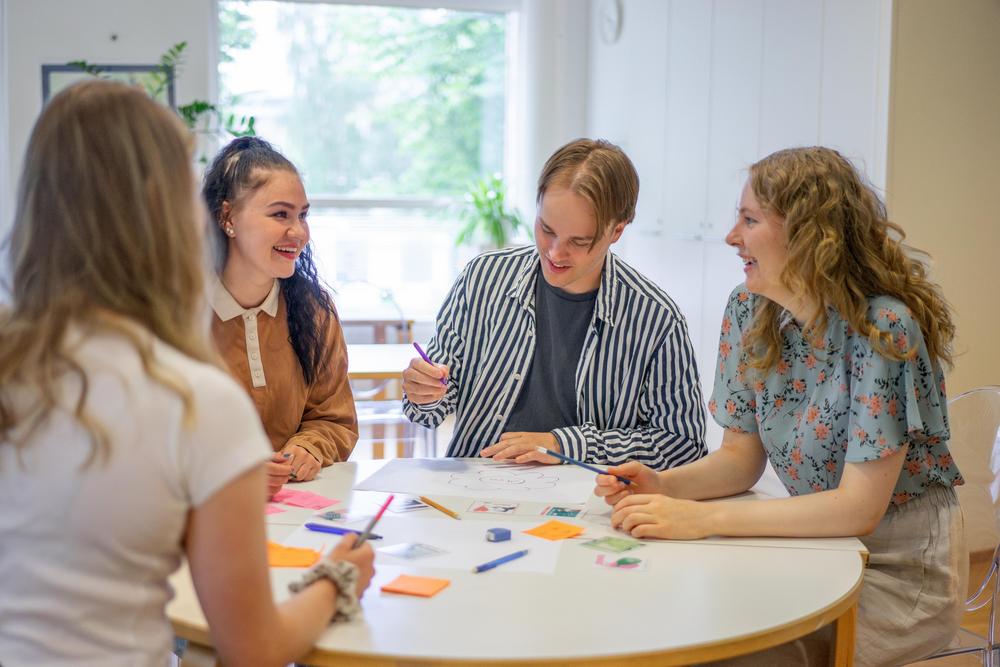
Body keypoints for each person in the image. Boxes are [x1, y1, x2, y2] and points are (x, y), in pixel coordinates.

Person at [0, 79, 374, 666]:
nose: (296, 231)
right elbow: (253, 649)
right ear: (175, 213)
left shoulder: (20, 362)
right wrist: (338, 581)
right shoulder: (187, 397)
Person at [595, 146, 966, 666]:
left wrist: (703, 520)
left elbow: (859, 508)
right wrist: (665, 484)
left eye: (749, 220)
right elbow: (740, 458)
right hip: (815, 547)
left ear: (810, 234)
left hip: (901, 571)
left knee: (745, 655)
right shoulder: (747, 309)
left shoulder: (883, 329)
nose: (730, 236)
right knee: (689, 626)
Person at [402, 138, 706, 469]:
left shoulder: (656, 319)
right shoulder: (482, 279)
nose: (555, 253)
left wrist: (567, 444)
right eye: (546, 230)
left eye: (579, 241)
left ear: (617, 230)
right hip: (476, 487)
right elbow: (428, 408)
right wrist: (424, 392)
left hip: (590, 500)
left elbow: (683, 444)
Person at [203, 137, 358, 498]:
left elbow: (334, 418)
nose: (299, 232)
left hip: (293, 513)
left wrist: (308, 447)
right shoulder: (171, 314)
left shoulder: (315, 310)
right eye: (280, 214)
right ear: (228, 217)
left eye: (302, 215)